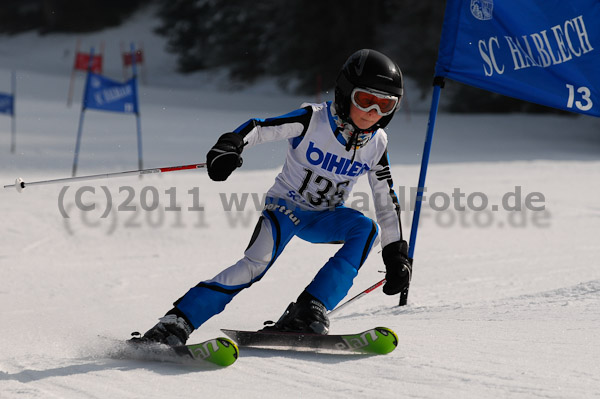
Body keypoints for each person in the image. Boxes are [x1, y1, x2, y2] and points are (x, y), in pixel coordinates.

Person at [131, 49, 412, 347]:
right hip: (285, 208)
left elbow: (385, 200)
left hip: (326, 216)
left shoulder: (377, 143)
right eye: (365, 100)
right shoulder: (313, 120)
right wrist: (231, 145)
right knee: (255, 266)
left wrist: (395, 255)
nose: (373, 112)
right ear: (345, 93)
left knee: (366, 229)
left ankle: (310, 309)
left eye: (385, 105)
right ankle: (177, 321)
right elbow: (260, 128)